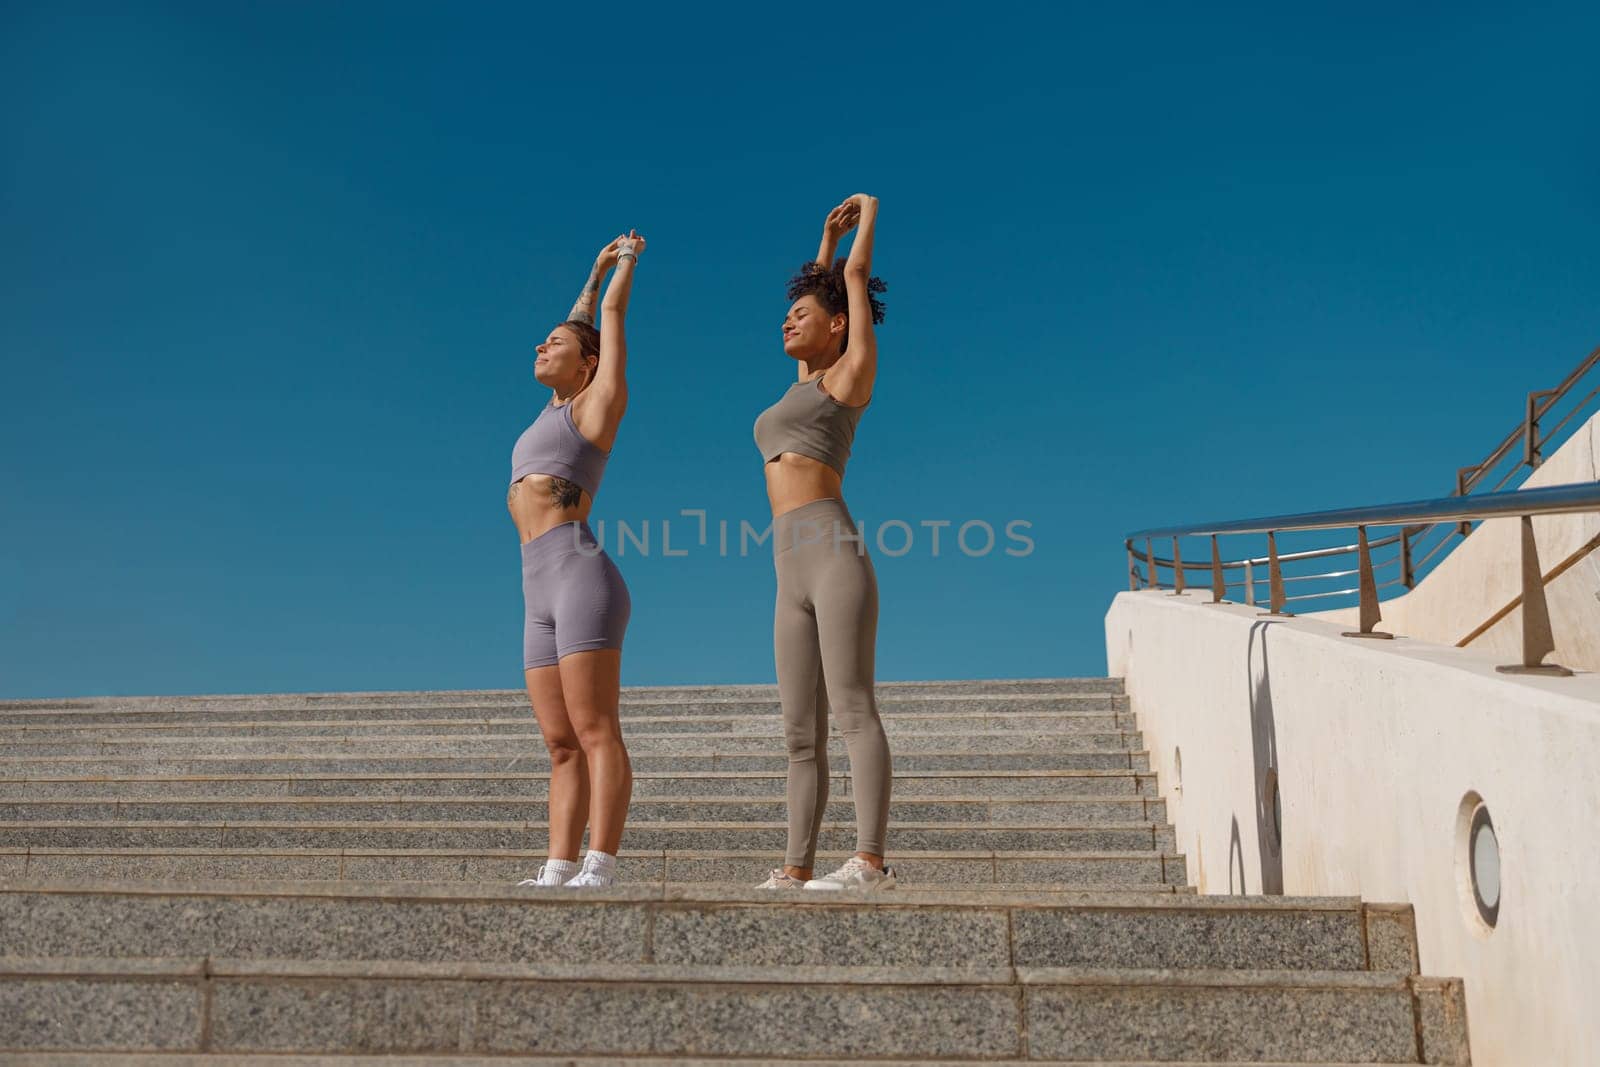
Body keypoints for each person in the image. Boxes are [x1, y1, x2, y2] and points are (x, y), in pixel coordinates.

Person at [752, 194, 895, 891]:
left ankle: (868, 859)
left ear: (838, 325)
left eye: (803, 314)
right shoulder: (802, 386)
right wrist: (821, 245)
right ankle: (794, 866)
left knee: (853, 708)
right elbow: (825, 285)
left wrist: (864, 217)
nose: (787, 319)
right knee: (798, 734)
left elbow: (854, 281)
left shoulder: (850, 374)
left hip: (832, 553)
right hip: (787, 568)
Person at [509, 231, 643, 889]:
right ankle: (558, 864)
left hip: (579, 575)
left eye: (555, 343)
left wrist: (623, 267)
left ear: (587, 364)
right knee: (560, 744)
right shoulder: (551, 409)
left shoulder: (596, 405)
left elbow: (605, 323)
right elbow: (584, 319)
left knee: (595, 731)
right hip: (535, 585)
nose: (542, 345)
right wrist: (589, 272)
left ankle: (602, 862)